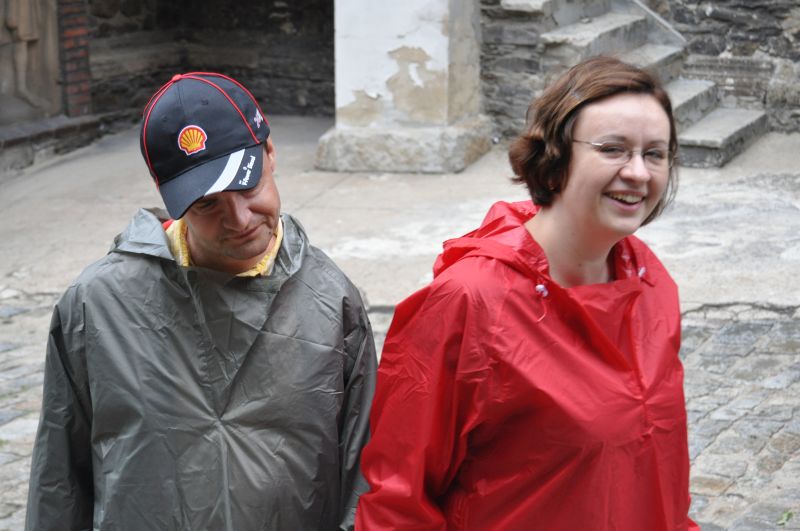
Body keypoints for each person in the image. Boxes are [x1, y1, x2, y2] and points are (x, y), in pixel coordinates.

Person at [356, 56, 699, 530]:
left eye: (655, 154)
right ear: (555, 159)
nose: (639, 173)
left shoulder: (650, 282)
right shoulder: (470, 301)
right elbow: (399, 500)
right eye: (613, 149)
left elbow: (661, 472)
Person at [25, 72, 377, 530]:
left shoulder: (332, 300)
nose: (240, 219)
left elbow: (362, 479)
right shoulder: (97, 305)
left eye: (247, 186)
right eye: (207, 204)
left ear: (270, 154)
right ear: (171, 199)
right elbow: (59, 479)